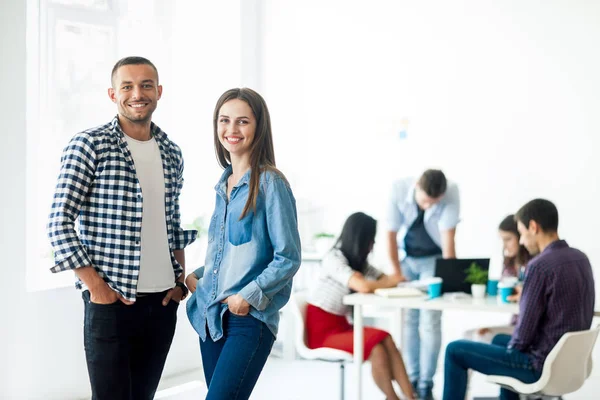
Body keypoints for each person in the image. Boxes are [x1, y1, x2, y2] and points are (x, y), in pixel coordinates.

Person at [47, 56, 196, 400]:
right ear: (112, 95)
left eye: (146, 85)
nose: (137, 93)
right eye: (127, 86)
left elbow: (172, 223)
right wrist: (97, 289)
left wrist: (178, 283)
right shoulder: (89, 145)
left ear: (158, 92)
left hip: (162, 303)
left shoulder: (171, 152)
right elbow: (59, 222)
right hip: (111, 302)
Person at [185, 88, 302, 400]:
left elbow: (288, 257)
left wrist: (246, 297)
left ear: (258, 127)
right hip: (211, 318)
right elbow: (232, 253)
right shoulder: (223, 185)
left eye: (242, 122)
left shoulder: (270, 183)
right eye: (225, 120)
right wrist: (198, 275)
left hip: (247, 319)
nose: (231, 130)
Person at [443, 199, 595, 400]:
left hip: (539, 365)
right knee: (498, 340)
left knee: (455, 350)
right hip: (569, 362)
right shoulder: (580, 258)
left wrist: (510, 356)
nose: (522, 241)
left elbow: (523, 333)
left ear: (534, 227)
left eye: (522, 233)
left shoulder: (540, 266)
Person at [307, 212, 417, 400]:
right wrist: (383, 283)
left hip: (342, 325)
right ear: (360, 238)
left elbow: (386, 279)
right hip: (321, 331)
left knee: (380, 347)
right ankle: (400, 398)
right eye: (370, 240)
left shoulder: (359, 264)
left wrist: (384, 282)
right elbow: (364, 286)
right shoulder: (333, 258)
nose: (372, 245)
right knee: (383, 338)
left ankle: (404, 398)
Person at [386, 169, 460, 399]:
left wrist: (449, 279)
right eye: (426, 201)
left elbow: (448, 243)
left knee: (430, 321)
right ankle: (412, 379)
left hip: (433, 261)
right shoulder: (398, 189)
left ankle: (426, 384)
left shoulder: (451, 192)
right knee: (409, 320)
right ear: (417, 185)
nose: (428, 207)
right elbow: (390, 234)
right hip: (406, 258)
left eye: (434, 203)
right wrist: (397, 273)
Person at [464, 214, 531, 342]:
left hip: (525, 328)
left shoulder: (534, 265)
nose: (504, 246)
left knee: (481, 336)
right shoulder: (510, 264)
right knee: (468, 335)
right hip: (515, 323)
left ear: (521, 236)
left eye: (508, 239)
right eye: (502, 240)